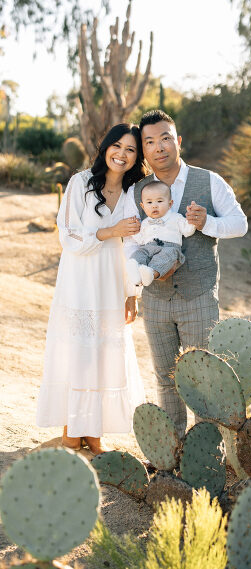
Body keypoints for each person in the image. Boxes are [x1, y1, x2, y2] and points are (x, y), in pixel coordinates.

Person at [123, 109, 248, 437]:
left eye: (165, 138)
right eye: (149, 141)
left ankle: (206, 452)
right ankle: (174, 450)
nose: (158, 146)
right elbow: (130, 243)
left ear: (177, 141)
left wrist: (208, 223)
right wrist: (132, 289)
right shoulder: (136, 192)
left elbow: (239, 223)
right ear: (144, 150)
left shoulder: (209, 181)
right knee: (165, 377)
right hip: (156, 300)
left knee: (204, 377)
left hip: (199, 296)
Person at [36, 124, 147, 455]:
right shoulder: (80, 183)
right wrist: (109, 231)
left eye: (130, 150)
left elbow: (135, 248)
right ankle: (72, 426)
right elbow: (68, 235)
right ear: (105, 148)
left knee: (103, 353)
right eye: (117, 146)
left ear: (137, 156)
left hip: (113, 283)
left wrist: (132, 293)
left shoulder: (134, 192)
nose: (122, 154)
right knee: (78, 351)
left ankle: (94, 429)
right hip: (80, 281)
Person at [126, 180, 196, 288]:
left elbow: (188, 231)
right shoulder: (144, 223)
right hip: (148, 247)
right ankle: (135, 272)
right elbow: (141, 240)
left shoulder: (176, 217)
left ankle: (151, 274)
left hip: (169, 247)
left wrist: (192, 219)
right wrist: (134, 231)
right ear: (143, 206)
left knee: (165, 257)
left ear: (170, 203)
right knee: (139, 254)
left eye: (159, 201)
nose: (154, 206)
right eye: (149, 202)